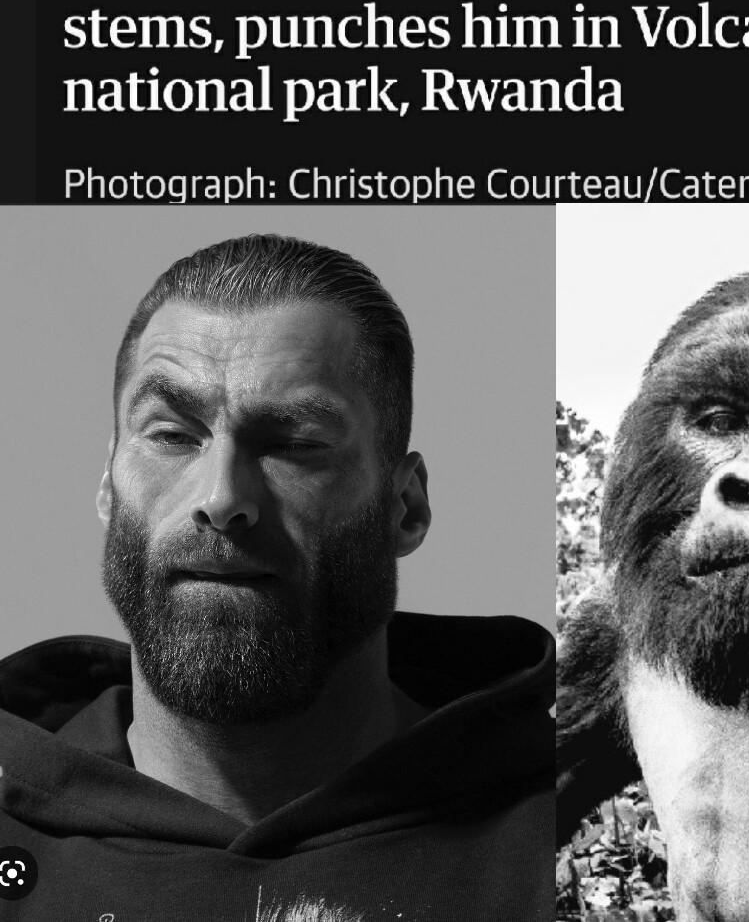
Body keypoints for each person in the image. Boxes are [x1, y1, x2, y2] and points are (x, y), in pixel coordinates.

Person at [0, 234, 553, 920]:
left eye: (293, 444)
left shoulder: (566, 833)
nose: (221, 496)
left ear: (403, 508)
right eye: (173, 435)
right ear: (108, 487)